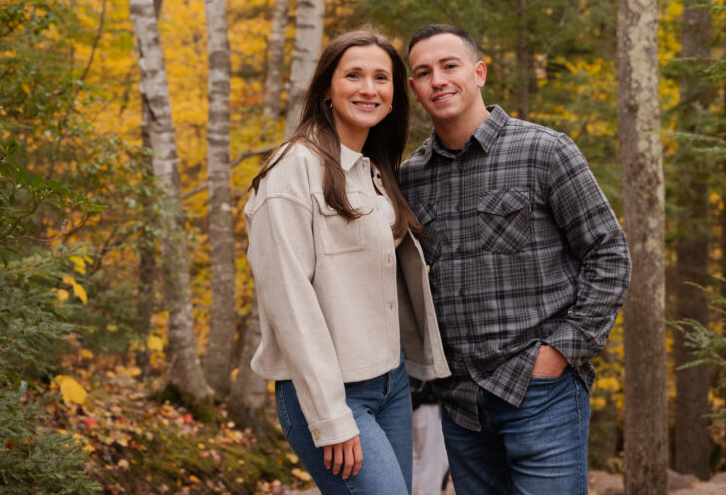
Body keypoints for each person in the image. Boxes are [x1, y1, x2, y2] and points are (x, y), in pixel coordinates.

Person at [399, 24, 632, 495]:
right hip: (461, 404)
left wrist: (562, 351)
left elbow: (608, 253)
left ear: (479, 73)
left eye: (450, 66)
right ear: (414, 90)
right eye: (423, 73)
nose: (437, 80)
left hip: (540, 393)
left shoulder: (545, 151)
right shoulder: (410, 179)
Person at [245, 28, 449, 495]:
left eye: (381, 77)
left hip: (391, 384)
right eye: (353, 75)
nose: (368, 88)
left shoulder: (375, 173)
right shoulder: (292, 169)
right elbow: (289, 300)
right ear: (327, 89)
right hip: (331, 393)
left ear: (395, 96)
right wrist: (331, 416)